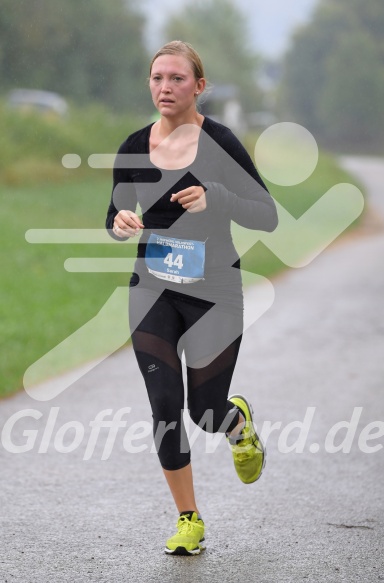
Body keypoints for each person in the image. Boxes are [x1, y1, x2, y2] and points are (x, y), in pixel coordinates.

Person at [106, 40, 278, 556]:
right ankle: (189, 518)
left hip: (214, 294)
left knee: (205, 412)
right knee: (164, 405)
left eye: (177, 78)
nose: (165, 87)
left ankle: (237, 423)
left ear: (198, 86)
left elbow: (265, 214)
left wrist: (215, 196)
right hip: (153, 289)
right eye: (158, 77)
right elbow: (113, 215)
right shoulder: (134, 145)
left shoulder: (221, 143)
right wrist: (118, 223)